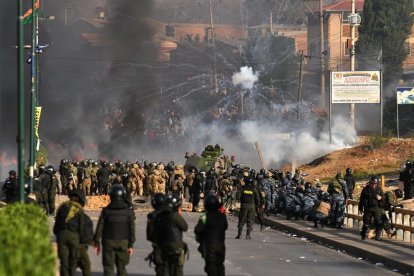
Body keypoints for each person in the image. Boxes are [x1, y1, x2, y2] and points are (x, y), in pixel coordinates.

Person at [94, 184, 136, 276]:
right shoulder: (128, 212)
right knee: (121, 268)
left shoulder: (106, 211)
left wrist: (96, 242)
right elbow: (132, 229)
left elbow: (100, 227)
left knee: (108, 268)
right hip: (123, 242)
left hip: (108, 242)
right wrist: (131, 245)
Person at [152, 194, 188, 276]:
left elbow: (155, 233)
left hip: (163, 247)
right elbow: (184, 227)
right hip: (176, 247)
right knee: (177, 270)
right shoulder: (175, 216)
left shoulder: (159, 216)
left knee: (165, 269)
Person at [53, 189, 86, 276]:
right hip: (74, 236)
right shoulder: (79, 209)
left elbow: (56, 225)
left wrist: (58, 235)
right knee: (73, 261)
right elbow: (82, 227)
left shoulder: (62, 206)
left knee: (64, 262)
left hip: (62, 235)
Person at [195, 195, 228, 276]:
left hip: (209, 246)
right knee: (220, 264)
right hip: (221, 246)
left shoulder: (205, 217)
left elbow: (198, 230)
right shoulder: (222, 216)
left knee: (211, 265)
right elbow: (225, 226)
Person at [146, 193, 167, 276]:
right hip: (173, 246)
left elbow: (149, 235)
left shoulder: (152, 216)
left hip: (159, 246)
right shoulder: (171, 213)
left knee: (161, 269)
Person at [359, 176, 384, 241]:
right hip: (368, 208)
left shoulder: (379, 189)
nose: (374, 185)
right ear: (370, 183)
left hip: (376, 208)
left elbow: (383, 197)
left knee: (379, 222)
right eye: (373, 183)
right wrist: (360, 208)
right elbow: (361, 199)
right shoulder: (365, 189)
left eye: (375, 184)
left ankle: (377, 237)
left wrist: (380, 198)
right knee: (366, 222)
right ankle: (363, 234)